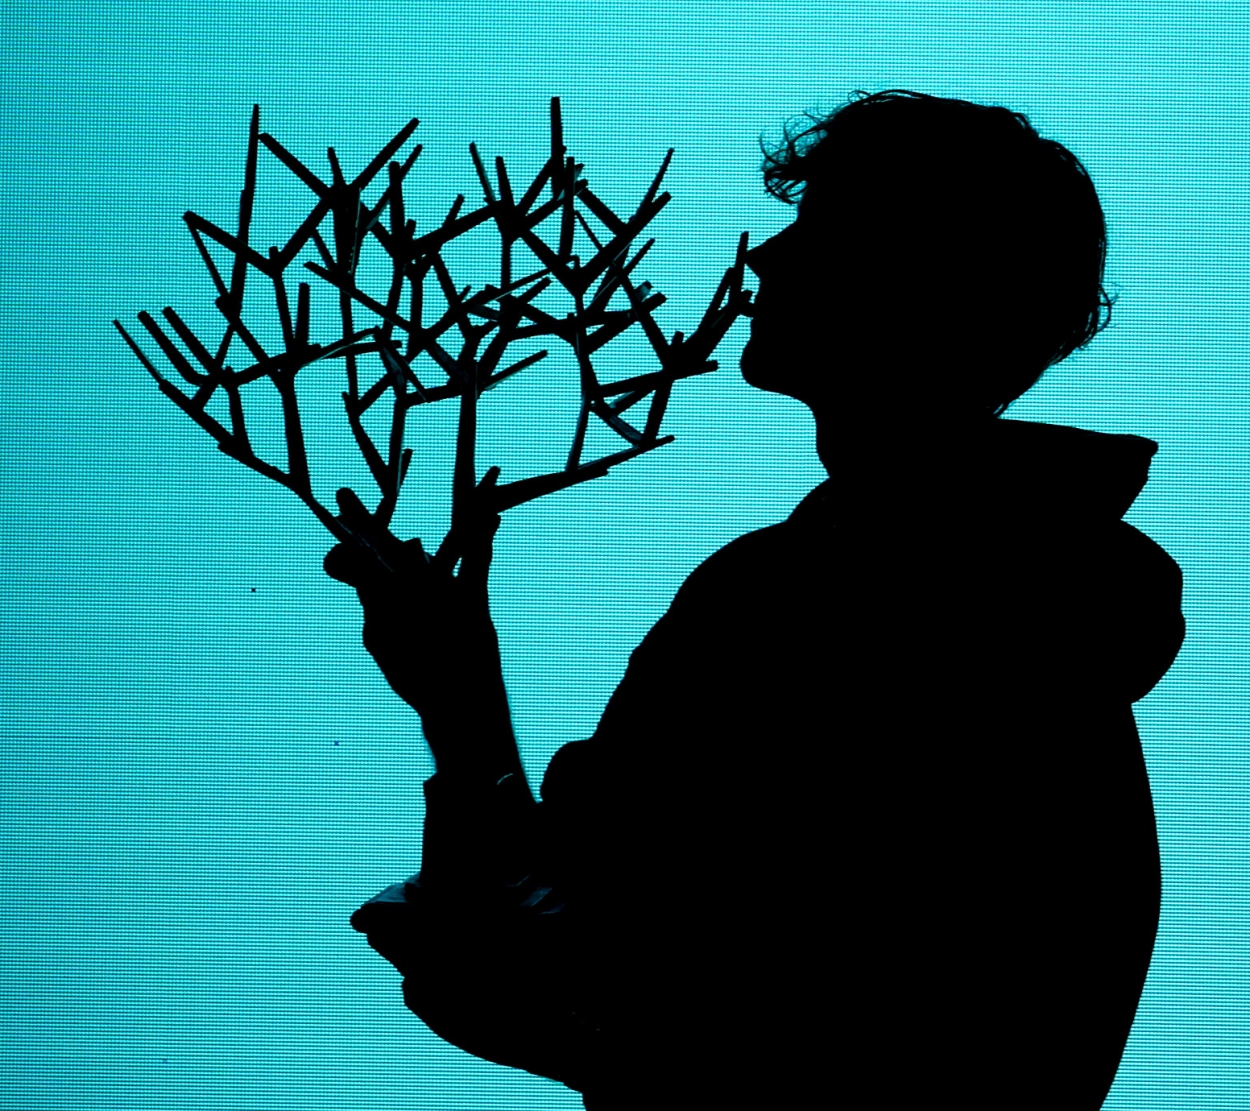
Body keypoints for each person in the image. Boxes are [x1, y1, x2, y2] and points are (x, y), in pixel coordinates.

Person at [327, 90, 1185, 1109]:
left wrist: (467, 727)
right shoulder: (939, 594)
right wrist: (460, 703)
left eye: (819, 228)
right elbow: (576, 936)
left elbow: (586, 964)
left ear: (917, 281)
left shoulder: (891, 610)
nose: (766, 258)